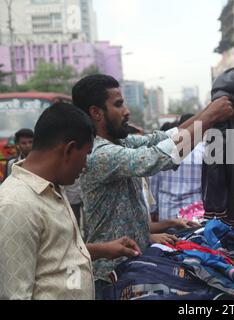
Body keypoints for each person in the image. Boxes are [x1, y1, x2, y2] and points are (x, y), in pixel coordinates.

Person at [71, 74, 234, 287]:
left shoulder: (122, 142)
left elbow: (165, 139)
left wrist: (208, 111)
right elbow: (159, 157)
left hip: (135, 264)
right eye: (118, 104)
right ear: (96, 113)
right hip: (111, 275)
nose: (127, 111)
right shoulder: (100, 153)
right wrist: (210, 116)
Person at [0, 103, 142, 300]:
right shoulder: (15, 205)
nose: (84, 166)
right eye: (85, 155)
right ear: (68, 150)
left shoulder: (53, 187)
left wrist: (104, 249)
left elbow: (56, 255)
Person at [150, 114, 204, 221]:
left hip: (167, 214)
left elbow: (154, 184)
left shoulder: (163, 151)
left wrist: (153, 210)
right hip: (194, 214)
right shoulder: (204, 152)